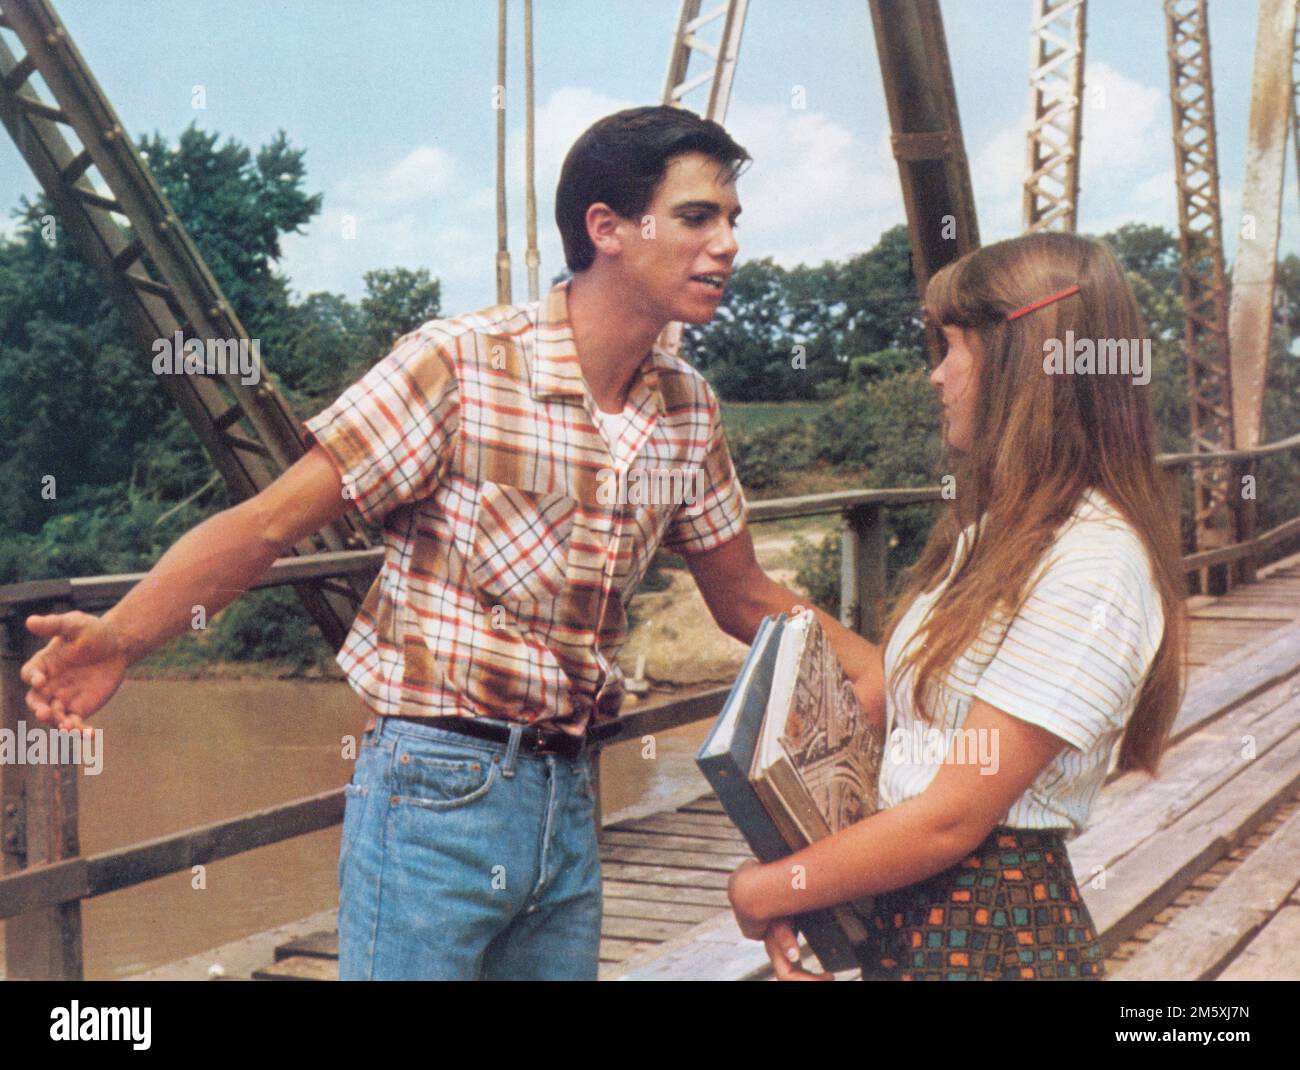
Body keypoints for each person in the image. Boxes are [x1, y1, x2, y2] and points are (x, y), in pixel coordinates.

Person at [19, 105, 883, 981]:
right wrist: (124, 635)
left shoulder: (688, 408)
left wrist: (880, 667)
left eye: (733, 220)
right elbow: (270, 524)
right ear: (607, 228)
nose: (727, 243)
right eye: (699, 217)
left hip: (570, 796)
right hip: (437, 791)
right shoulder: (463, 365)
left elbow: (741, 599)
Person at [726, 231, 1189, 981]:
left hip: (990, 936)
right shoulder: (996, 537)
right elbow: (915, 738)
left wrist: (763, 889)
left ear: (1017, 361)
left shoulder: (1096, 559)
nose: (935, 377)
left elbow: (951, 819)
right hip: (926, 920)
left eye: (950, 348)